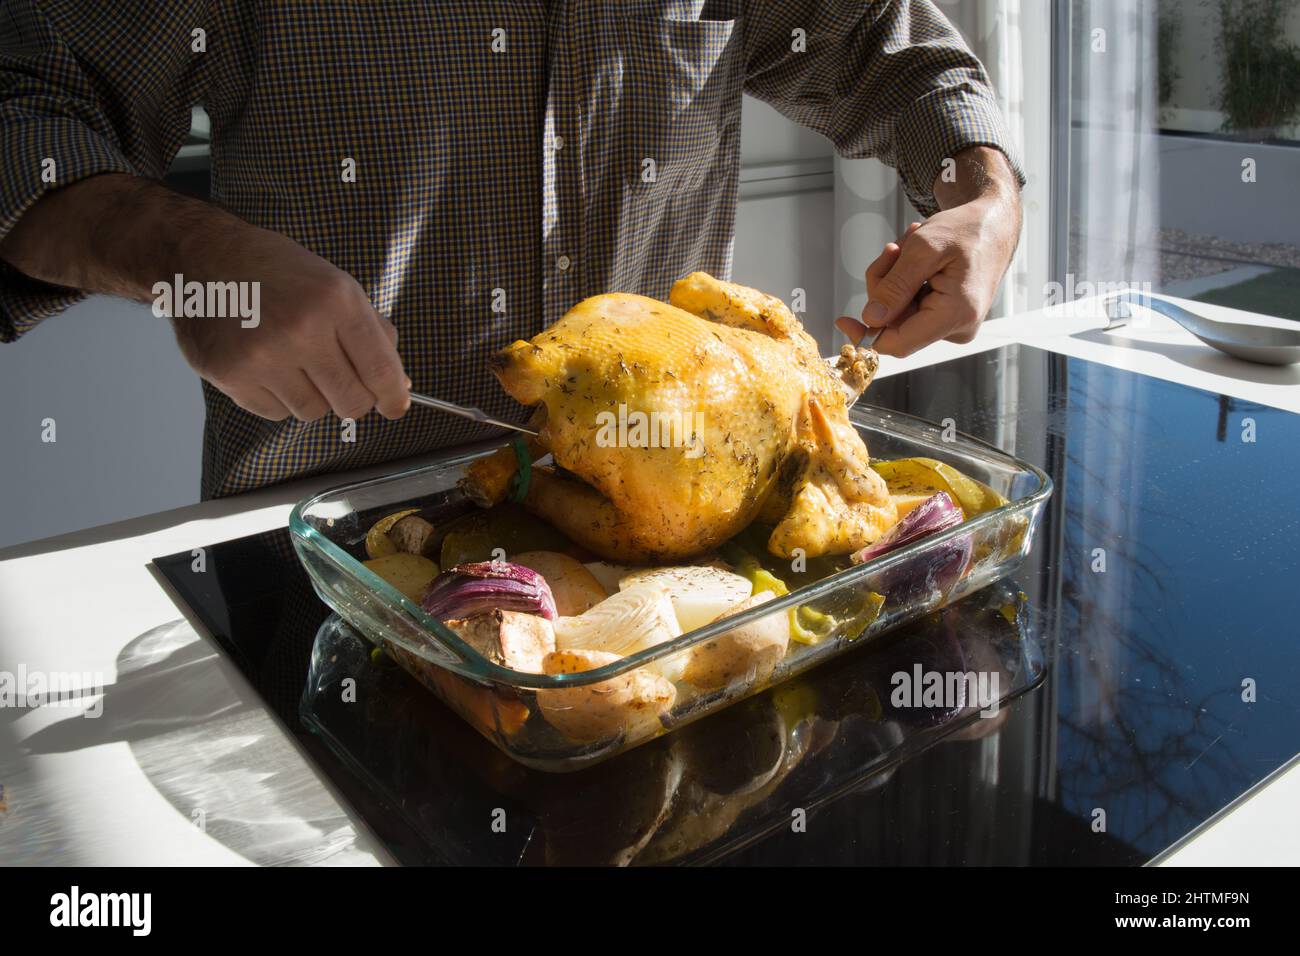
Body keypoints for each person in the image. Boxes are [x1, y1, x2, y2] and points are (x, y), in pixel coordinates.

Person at [0, 1, 1022, 498]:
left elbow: (887, 47)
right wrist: (188, 252)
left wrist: (982, 193)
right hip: (333, 552)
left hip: (669, 547)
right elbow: (24, 99)